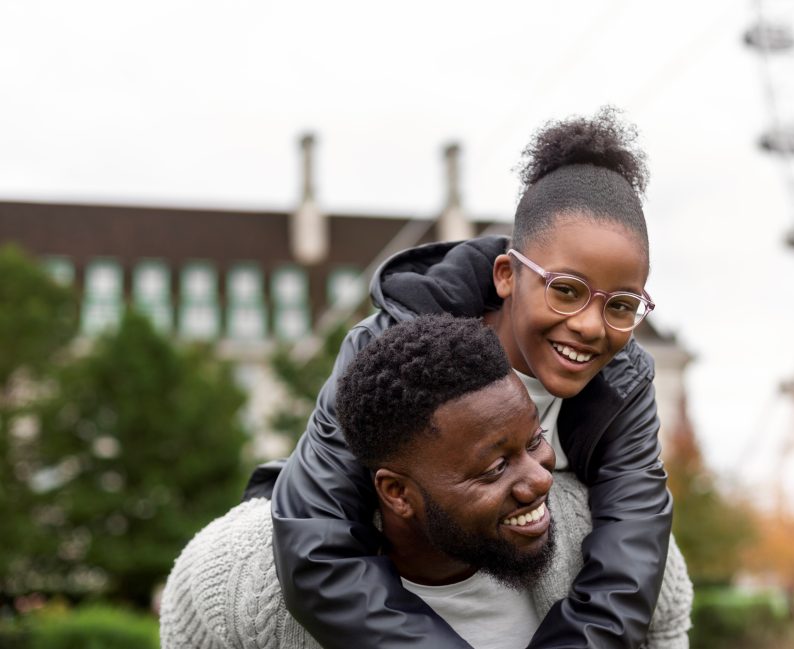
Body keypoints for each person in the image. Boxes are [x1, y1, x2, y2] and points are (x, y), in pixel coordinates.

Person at [245, 107, 676, 647]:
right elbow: (318, 550)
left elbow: (629, 556)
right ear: (506, 276)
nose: (591, 326)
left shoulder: (625, 381)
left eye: (621, 304)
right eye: (564, 289)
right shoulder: (391, 349)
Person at [161, 316, 692, 649]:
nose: (538, 479)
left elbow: (664, 626)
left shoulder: (603, 541)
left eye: (532, 442)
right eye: (493, 468)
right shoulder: (239, 575)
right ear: (397, 493)